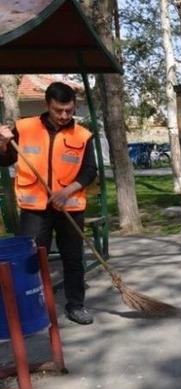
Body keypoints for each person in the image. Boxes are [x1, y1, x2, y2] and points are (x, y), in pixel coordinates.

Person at [0, 82, 97, 325]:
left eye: (69, 110)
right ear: (47, 105)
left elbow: (89, 171)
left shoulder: (83, 135)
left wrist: (67, 192)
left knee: (73, 259)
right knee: (30, 259)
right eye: (58, 110)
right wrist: (2, 142)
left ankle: (76, 305)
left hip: (69, 208)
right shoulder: (24, 128)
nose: (64, 116)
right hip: (35, 210)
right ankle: (30, 305)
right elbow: (5, 159)